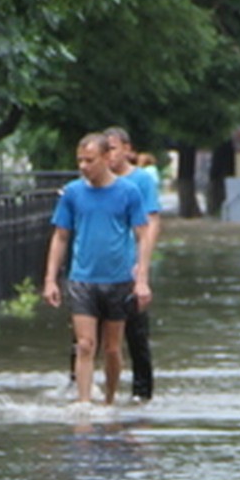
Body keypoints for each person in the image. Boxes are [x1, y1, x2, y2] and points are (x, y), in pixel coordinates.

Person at [43, 133, 152, 405]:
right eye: (79, 160)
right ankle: (84, 404)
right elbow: (60, 236)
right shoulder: (72, 193)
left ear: (106, 158)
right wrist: (50, 279)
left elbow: (143, 234)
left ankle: (110, 401)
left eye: (89, 160)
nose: (83, 166)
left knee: (112, 349)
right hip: (82, 279)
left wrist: (142, 279)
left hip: (118, 281)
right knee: (85, 344)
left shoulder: (128, 192)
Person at [104, 126, 161, 401]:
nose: (109, 155)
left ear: (127, 149)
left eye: (113, 148)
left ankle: (142, 393)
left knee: (136, 333)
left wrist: (143, 268)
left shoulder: (141, 182)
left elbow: (151, 223)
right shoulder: (95, 180)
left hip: (130, 265)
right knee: (85, 335)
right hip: (98, 268)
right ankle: (83, 387)